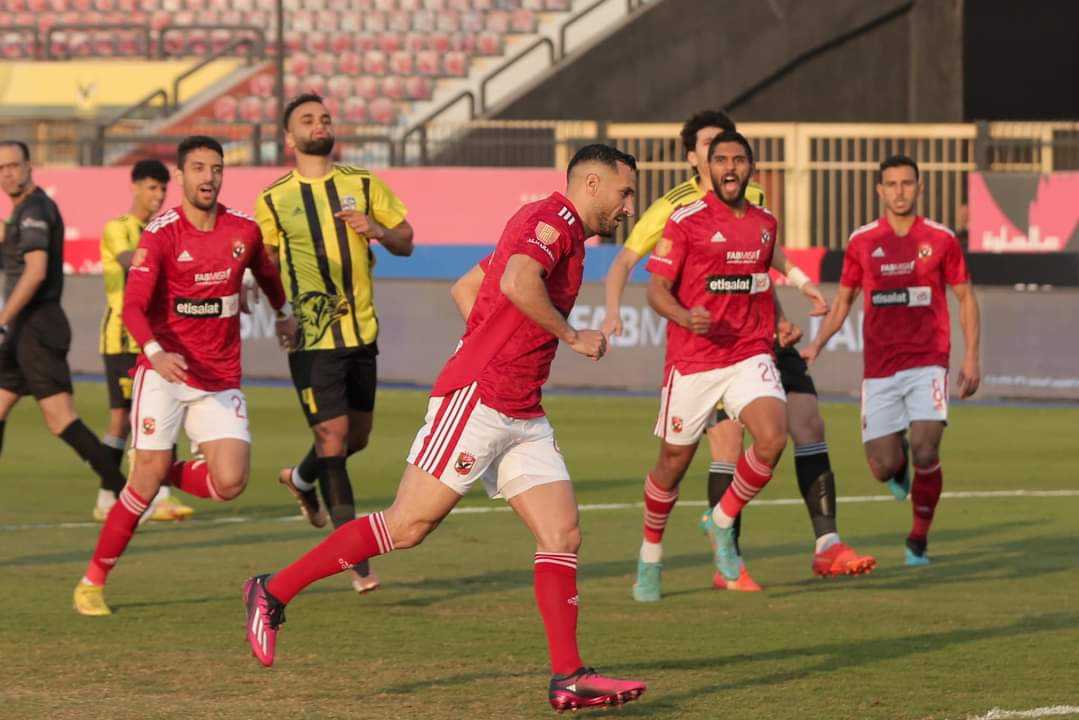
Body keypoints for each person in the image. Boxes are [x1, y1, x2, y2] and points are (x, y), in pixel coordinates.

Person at [243, 144, 647, 713]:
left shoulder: (565, 234)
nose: (629, 207)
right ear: (592, 184)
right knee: (407, 526)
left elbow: (468, 288)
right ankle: (272, 590)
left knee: (562, 535)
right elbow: (518, 282)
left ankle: (569, 676)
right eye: (624, 193)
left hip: (521, 408)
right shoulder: (551, 219)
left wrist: (497, 341)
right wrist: (568, 336)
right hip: (479, 399)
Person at [73, 136, 295, 616]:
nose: (208, 177)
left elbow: (267, 273)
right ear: (181, 176)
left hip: (220, 374)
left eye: (216, 168)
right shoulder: (161, 234)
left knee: (230, 482)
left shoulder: (243, 230)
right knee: (143, 487)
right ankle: (92, 581)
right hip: (164, 371)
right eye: (198, 168)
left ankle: (156, 468)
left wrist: (283, 313)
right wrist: (155, 352)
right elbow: (133, 307)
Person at [254, 93, 414, 595]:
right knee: (333, 439)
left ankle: (302, 479)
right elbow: (265, 264)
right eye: (307, 119)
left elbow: (407, 240)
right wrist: (277, 310)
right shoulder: (273, 199)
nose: (319, 124)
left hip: (361, 332)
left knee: (356, 438)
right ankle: (357, 563)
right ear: (289, 138)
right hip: (311, 335)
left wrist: (378, 230)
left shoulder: (362, 183)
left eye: (324, 117)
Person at [802, 154, 981, 566]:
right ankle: (896, 464)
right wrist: (817, 344)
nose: (900, 191)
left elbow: (966, 297)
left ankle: (918, 540)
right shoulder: (863, 241)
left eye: (907, 183)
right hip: (880, 368)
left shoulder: (941, 239)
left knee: (925, 449)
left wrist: (971, 356)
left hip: (929, 361)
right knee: (883, 467)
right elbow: (843, 301)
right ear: (880, 190)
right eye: (892, 184)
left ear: (920, 188)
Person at [0, 140, 129, 509]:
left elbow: (36, 271)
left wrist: (2, 320)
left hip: (37, 327)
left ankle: (128, 493)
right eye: (1, 169)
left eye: (14, 165)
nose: (8, 173)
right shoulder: (22, 211)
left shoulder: (36, 209)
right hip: (22, 329)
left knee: (61, 420)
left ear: (29, 166)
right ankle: (127, 493)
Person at [94, 158, 195, 523]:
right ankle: (111, 493)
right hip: (122, 338)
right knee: (122, 421)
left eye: (163, 188)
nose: (158, 195)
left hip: (157, 339)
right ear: (134, 187)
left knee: (160, 411)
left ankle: (155, 495)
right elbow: (129, 259)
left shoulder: (163, 228)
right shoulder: (118, 227)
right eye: (152, 187)